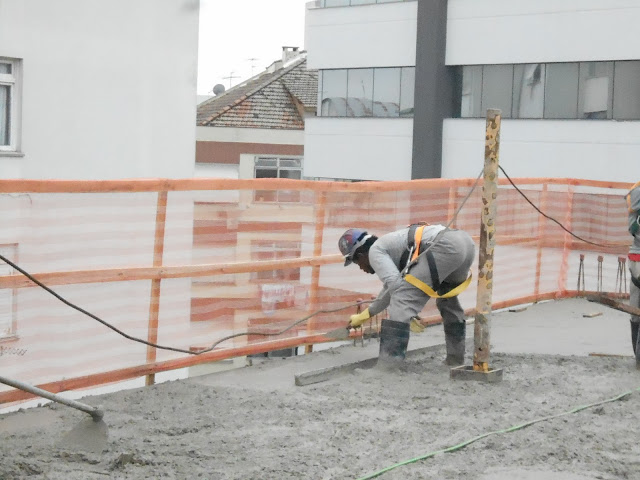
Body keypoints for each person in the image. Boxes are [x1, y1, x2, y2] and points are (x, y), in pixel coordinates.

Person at [338, 224, 475, 367]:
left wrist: (408, 313)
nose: (361, 268)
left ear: (360, 255)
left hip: (445, 246)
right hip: (465, 244)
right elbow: (391, 287)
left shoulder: (375, 251)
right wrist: (366, 314)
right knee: (447, 300)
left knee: (401, 301)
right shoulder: (391, 247)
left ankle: (389, 365)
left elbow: (396, 288)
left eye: (356, 262)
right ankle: (455, 360)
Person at [625, 182, 640, 369]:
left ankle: (638, 361)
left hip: (635, 258)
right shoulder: (637, 192)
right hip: (638, 257)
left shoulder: (635, 191)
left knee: (635, 308)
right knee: (636, 311)